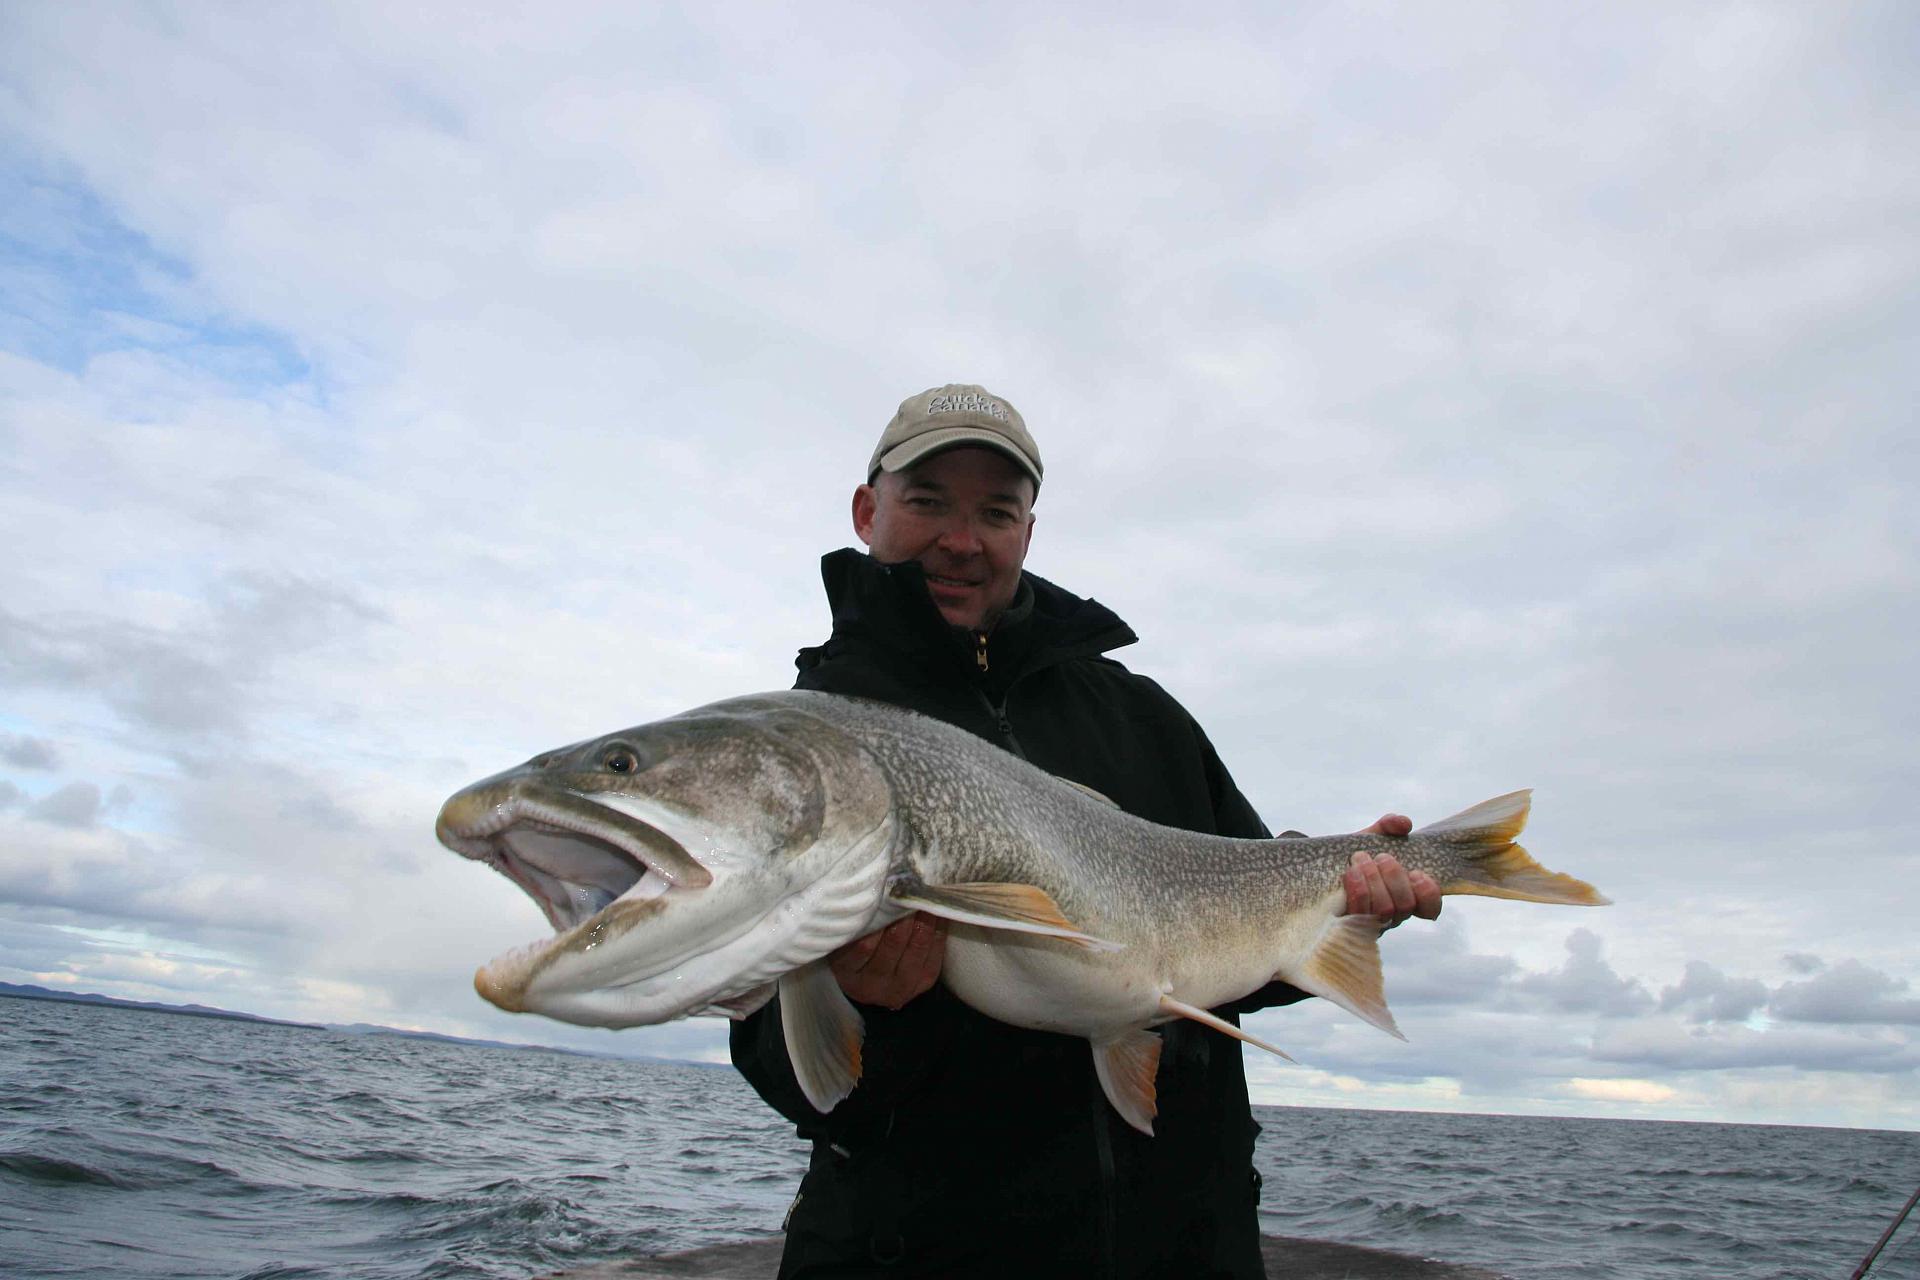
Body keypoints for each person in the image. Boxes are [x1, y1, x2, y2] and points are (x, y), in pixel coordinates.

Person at [730, 384, 1441, 1279]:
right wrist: (875, 1008)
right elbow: (786, 1073)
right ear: (869, 510)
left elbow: (1233, 935)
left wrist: (1344, 910)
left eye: (996, 510)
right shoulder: (800, 751)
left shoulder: (1146, 718)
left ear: (1029, 533)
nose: (961, 538)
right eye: (927, 501)